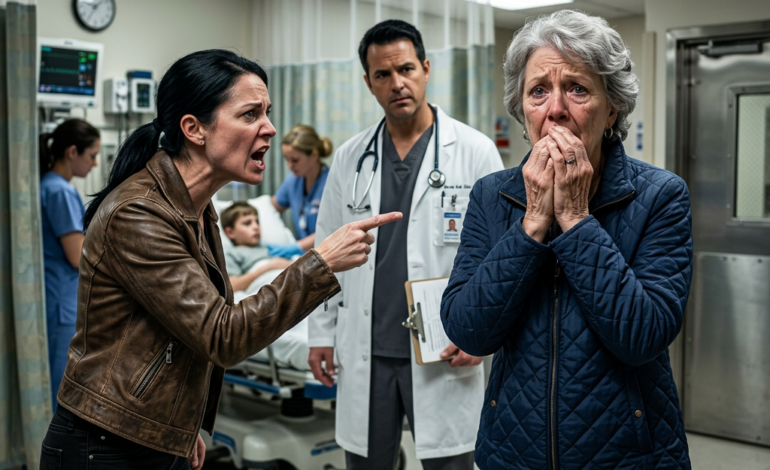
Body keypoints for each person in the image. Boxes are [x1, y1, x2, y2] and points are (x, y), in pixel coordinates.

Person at [39, 49, 400, 470]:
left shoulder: (197, 208)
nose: (269, 128)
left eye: (267, 113)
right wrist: (319, 263)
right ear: (194, 128)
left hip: (147, 431)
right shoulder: (138, 214)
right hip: (105, 445)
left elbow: (181, 329)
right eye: (250, 114)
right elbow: (222, 334)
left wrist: (177, 422)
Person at [441, 10, 693, 469]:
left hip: (630, 454)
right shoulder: (491, 196)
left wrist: (575, 218)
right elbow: (468, 330)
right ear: (523, 111)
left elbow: (644, 336)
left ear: (612, 107)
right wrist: (532, 223)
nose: (555, 108)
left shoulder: (660, 196)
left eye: (577, 88)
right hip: (514, 450)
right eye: (538, 91)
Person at [308, 20, 504, 470]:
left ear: (426, 69)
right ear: (368, 83)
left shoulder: (473, 150)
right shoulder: (351, 157)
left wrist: (485, 334)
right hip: (367, 348)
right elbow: (325, 252)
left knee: (451, 462)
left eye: (406, 69)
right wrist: (320, 335)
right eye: (383, 74)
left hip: (445, 347)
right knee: (366, 463)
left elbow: (501, 255)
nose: (397, 83)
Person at [38, 118, 100, 412]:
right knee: (59, 388)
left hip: (59, 298)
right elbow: (78, 256)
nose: (95, 163)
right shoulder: (59, 191)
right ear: (72, 152)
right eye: (92, 155)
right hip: (61, 302)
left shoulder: (53, 186)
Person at [269, 125, 333, 258]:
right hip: (304, 258)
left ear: (314, 155)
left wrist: (297, 247)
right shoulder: (293, 181)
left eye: (295, 160)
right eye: (286, 159)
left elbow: (332, 229)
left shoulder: (331, 184)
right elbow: (271, 207)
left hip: (327, 256)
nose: (289, 165)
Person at [220, 201, 292, 292]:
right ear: (230, 232)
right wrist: (268, 267)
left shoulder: (269, 248)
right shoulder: (232, 253)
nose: (256, 226)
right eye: (247, 223)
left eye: (257, 222)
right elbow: (232, 286)